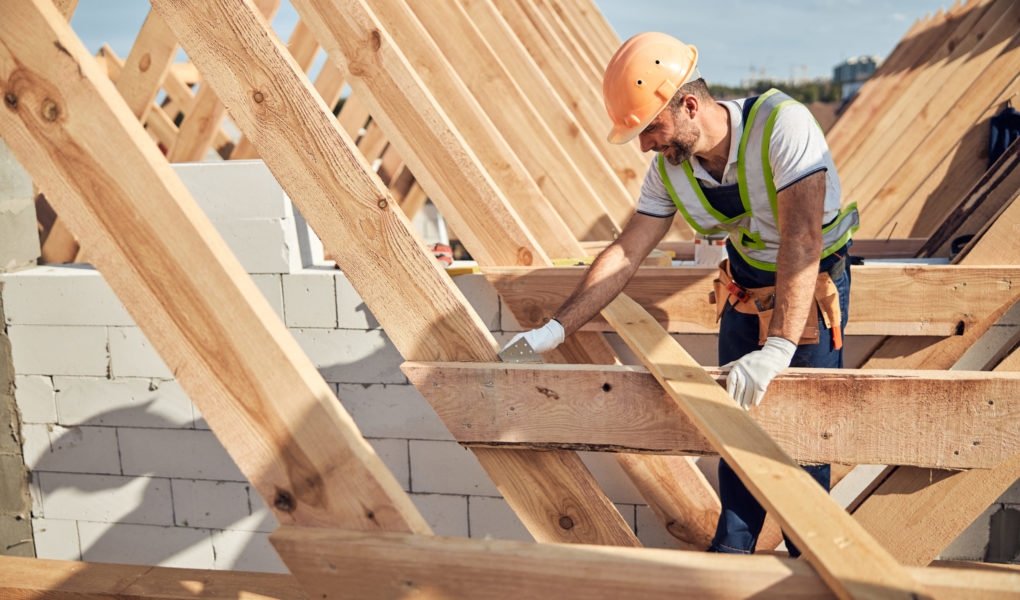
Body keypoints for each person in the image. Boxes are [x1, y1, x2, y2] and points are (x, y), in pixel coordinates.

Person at [502, 32, 858, 556]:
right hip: (743, 288)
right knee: (732, 427)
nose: (646, 144)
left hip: (811, 283)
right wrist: (555, 330)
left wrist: (778, 349)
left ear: (689, 104)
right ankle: (732, 558)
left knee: (805, 434)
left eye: (650, 128)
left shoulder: (784, 125)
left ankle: (817, 558)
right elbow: (626, 253)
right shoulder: (671, 169)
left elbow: (802, 239)